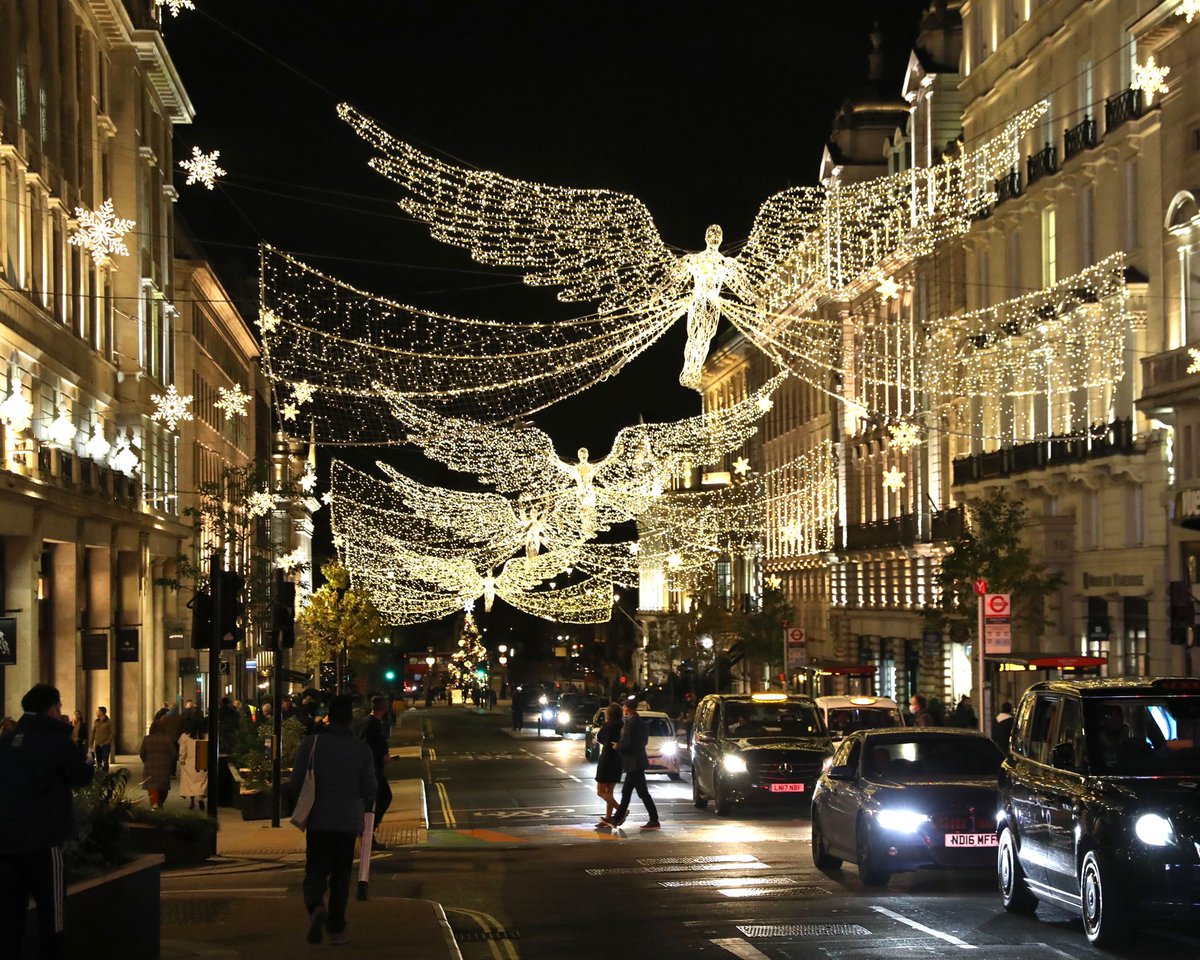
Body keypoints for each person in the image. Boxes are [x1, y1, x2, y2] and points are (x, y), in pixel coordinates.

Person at [0, 683, 94, 960]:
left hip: (6, 843)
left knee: (10, 914)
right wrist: (77, 746)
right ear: (52, 709)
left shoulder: (6, 743)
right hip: (44, 841)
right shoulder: (56, 742)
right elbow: (81, 776)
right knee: (51, 915)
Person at [289, 694, 376, 946]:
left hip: (318, 819)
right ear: (350, 719)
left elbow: (295, 783)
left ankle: (316, 907)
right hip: (347, 821)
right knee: (340, 876)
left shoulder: (311, 744)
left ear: (329, 717)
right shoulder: (361, 749)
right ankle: (336, 930)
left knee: (315, 870)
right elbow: (369, 788)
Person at [601, 697, 660, 831]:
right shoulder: (639, 722)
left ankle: (654, 819)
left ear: (628, 708)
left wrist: (618, 746)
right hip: (634, 763)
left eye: (624, 707)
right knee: (626, 793)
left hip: (634, 763)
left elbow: (631, 744)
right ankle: (616, 819)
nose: (623, 709)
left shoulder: (632, 723)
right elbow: (642, 742)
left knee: (643, 793)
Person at [359, 695, 392, 849]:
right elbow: (367, 747)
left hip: (374, 768)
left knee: (377, 801)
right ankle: (367, 830)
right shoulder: (371, 724)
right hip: (372, 769)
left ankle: (368, 832)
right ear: (383, 707)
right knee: (383, 797)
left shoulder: (372, 723)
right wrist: (381, 757)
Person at [593, 703, 623, 827]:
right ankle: (608, 819)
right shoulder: (622, 725)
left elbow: (599, 737)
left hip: (607, 759)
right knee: (610, 791)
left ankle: (621, 811)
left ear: (609, 715)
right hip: (618, 760)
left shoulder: (608, 725)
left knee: (600, 791)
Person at [139, 718, 177, 809]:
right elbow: (173, 753)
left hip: (150, 766)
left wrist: (146, 761)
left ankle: (154, 803)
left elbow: (142, 753)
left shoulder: (147, 739)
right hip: (164, 766)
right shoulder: (167, 739)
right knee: (163, 786)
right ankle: (160, 802)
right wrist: (170, 763)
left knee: (152, 786)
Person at [177, 718, 209, 811]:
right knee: (202, 782)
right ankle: (201, 798)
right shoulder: (206, 736)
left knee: (190, 783)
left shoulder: (185, 736)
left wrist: (182, 760)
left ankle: (192, 801)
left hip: (189, 762)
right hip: (202, 760)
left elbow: (182, 751)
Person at [89, 705, 113, 771]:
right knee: (98, 761)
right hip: (97, 744)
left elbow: (112, 733)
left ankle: (105, 774)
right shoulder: (96, 721)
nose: (96, 713)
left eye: (98, 711)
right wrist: (91, 743)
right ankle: (99, 774)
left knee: (105, 760)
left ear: (101, 712)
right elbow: (93, 732)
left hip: (105, 744)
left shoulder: (109, 722)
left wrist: (107, 742)